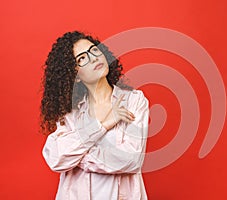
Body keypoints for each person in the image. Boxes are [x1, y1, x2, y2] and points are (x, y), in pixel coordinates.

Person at [40, 31, 149, 200]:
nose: (93, 58)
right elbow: (56, 158)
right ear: (74, 75)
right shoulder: (70, 115)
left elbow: (132, 160)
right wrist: (104, 124)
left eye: (94, 50)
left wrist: (78, 158)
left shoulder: (133, 101)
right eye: (82, 58)